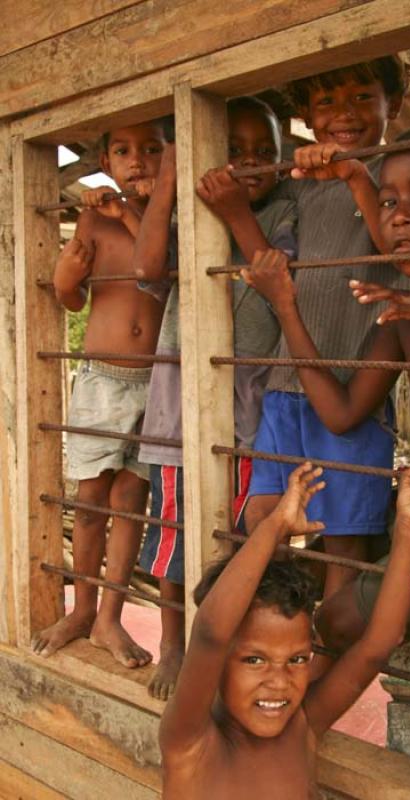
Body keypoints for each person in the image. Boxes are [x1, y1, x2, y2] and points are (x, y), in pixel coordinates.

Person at [243, 129, 410, 652]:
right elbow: (340, 413)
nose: (401, 216)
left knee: (346, 609)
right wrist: (287, 305)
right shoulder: (400, 317)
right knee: (338, 613)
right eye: (388, 202)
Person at [132, 96, 296, 700]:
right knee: (174, 536)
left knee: (239, 538)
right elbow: (148, 266)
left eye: (264, 153)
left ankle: (230, 641)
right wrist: (173, 172)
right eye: (234, 152)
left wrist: (231, 208)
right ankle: (175, 642)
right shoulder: (184, 216)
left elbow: (270, 271)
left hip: (251, 416)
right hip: (180, 412)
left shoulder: (285, 211)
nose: (249, 164)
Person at [159, 461, 410, 798]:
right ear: (216, 661)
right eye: (254, 661)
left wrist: (408, 528)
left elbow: (380, 644)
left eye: (297, 660)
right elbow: (211, 632)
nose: (279, 682)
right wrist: (275, 525)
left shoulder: (303, 725)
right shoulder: (190, 743)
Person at [31, 120, 171, 667]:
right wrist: (66, 275)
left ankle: (110, 620)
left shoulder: (169, 219)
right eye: (123, 151)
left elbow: (160, 265)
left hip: (157, 381)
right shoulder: (91, 215)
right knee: (89, 503)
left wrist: (131, 213)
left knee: (129, 503)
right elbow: (71, 299)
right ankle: (81, 608)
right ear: (106, 162)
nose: (137, 160)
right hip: (104, 380)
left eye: (152, 150)